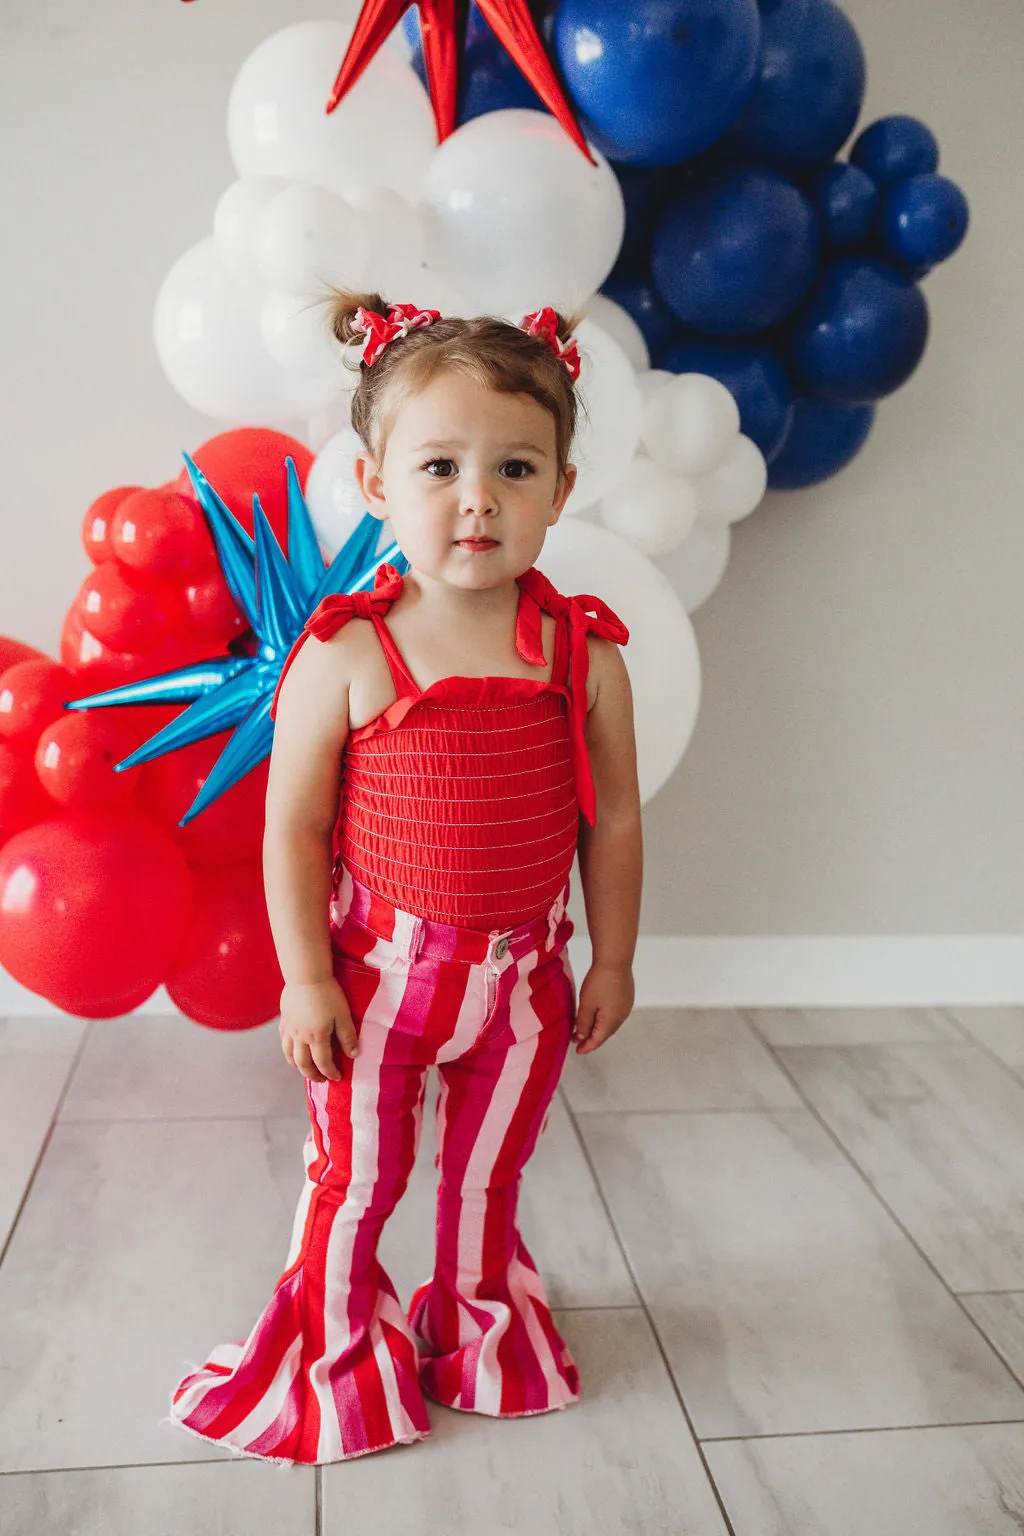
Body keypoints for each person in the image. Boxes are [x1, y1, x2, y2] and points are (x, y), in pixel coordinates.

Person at [165, 292, 643, 1466]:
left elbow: (615, 818)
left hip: (525, 977)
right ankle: (325, 1349)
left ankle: (477, 1324)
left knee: (488, 1174)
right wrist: (304, 979)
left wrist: (614, 955)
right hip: (379, 980)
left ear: (561, 491)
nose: (477, 498)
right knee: (358, 1178)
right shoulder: (349, 649)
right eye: (439, 466)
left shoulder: (581, 650)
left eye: (515, 467)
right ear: (376, 483)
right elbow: (293, 827)